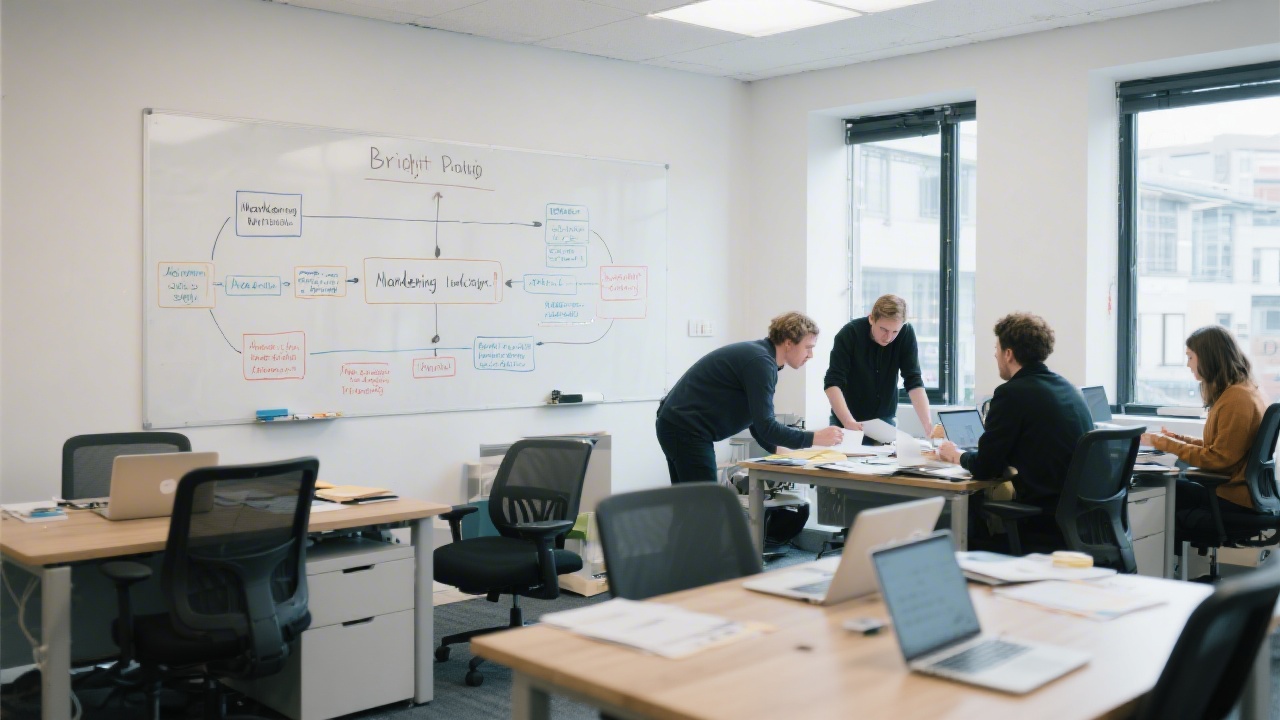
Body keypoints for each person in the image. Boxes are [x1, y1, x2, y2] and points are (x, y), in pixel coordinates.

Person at [936, 313, 1094, 524]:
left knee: (968, 517)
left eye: (996, 349)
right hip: (1078, 514)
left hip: (1044, 517)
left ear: (1008, 354)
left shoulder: (1011, 393)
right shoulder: (1068, 388)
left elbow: (985, 467)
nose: (995, 355)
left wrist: (957, 455)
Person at [656, 312, 844, 484]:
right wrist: (815, 437)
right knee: (705, 506)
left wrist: (781, 451)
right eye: (808, 347)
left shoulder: (762, 358)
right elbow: (766, 427)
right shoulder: (760, 363)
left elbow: (756, 421)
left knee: (691, 507)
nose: (810, 355)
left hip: (676, 425)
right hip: (686, 430)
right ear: (788, 343)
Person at [1141, 325, 1266, 513]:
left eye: (1190, 357)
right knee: (1173, 480)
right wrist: (1177, 439)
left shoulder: (1236, 399)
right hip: (1235, 492)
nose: (1188, 364)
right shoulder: (1240, 391)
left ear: (1209, 358)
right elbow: (1221, 447)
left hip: (1232, 497)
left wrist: (1165, 443)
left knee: (1157, 488)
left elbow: (1218, 459)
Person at [823, 294, 936, 442]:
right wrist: (848, 422)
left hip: (884, 422)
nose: (888, 337)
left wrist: (928, 427)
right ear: (871, 318)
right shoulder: (849, 334)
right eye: (883, 329)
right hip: (846, 420)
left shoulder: (906, 333)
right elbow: (832, 383)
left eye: (895, 331)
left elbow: (913, 381)